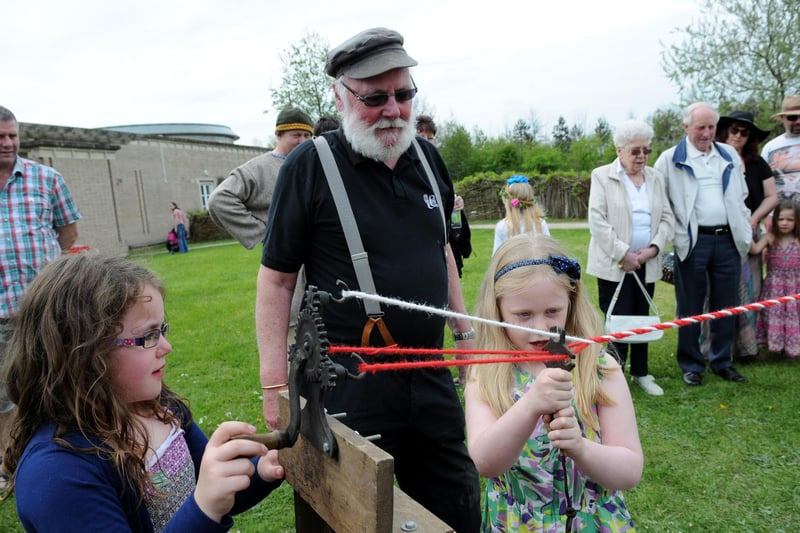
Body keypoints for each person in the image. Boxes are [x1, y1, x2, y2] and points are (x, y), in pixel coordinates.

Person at [255, 28, 480, 532]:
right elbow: (276, 282)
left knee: (458, 504)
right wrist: (274, 385)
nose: (393, 110)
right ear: (340, 95)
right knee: (338, 515)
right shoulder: (311, 166)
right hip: (347, 382)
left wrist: (464, 334)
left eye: (403, 95)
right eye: (375, 98)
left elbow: (441, 248)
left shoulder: (428, 158)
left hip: (428, 372)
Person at [0, 254, 284, 531]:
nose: (166, 346)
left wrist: (260, 469)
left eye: (162, 330)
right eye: (148, 336)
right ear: (85, 353)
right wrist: (204, 508)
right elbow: (203, 504)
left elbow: (210, 488)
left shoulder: (160, 408)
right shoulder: (58, 475)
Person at [465, 233, 642, 531]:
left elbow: (630, 472)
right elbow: (486, 463)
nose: (541, 329)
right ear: (497, 310)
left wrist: (581, 449)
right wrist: (531, 404)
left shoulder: (599, 368)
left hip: (593, 521)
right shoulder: (486, 374)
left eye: (552, 312)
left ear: (571, 302)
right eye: (523, 315)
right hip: (516, 523)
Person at [654, 102, 752, 386]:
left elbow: (741, 195)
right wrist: (675, 234)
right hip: (694, 242)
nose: (707, 133)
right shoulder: (670, 159)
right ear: (686, 127)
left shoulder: (729, 154)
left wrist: (743, 227)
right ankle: (691, 364)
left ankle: (722, 361)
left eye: (711, 127)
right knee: (690, 305)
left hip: (728, 240)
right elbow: (660, 202)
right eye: (700, 127)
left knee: (727, 304)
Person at [0, 105, 81, 417]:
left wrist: (48, 274)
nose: (7, 142)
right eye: (1, 136)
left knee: (58, 382)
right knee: (5, 397)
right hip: (1, 314)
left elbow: (69, 232)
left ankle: (63, 447)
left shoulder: (47, 179)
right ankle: (10, 461)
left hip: (46, 308)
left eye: (12, 136)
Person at [207, 108, 314, 339]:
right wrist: (266, 234)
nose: (303, 141)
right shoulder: (258, 169)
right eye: (296, 135)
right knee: (294, 338)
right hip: (287, 269)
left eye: (307, 136)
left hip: (320, 264)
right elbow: (219, 199)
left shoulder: (313, 163)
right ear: (279, 135)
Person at [587, 119, 674, 395]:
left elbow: (668, 219)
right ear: (619, 149)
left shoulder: (655, 177)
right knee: (616, 318)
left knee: (641, 316)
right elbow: (597, 220)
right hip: (615, 263)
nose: (642, 157)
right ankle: (613, 372)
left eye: (646, 151)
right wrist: (623, 253)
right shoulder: (601, 175)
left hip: (646, 262)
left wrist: (652, 250)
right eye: (635, 151)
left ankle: (641, 373)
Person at [710, 111, 777, 359]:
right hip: (718, 234)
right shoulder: (712, 160)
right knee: (716, 293)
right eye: (734, 130)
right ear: (725, 131)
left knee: (749, 290)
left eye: (744, 132)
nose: (738, 136)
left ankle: (747, 348)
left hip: (749, 233)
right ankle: (713, 348)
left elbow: (772, 196)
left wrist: (754, 218)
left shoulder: (757, 163)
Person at [415, 114, 472, 276]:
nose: (426, 141)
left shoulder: (438, 168)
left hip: (446, 247)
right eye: (420, 136)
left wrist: (456, 203)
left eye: (430, 137)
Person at [752, 200, 800, 358]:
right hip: (775, 288)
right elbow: (755, 249)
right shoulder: (770, 237)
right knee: (775, 315)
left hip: (795, 287)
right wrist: (745, 232)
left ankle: (793, 348)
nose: (784, 223)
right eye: (781, 219)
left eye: (790, 219)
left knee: (794, 315)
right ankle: (775, 346)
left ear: (797, 221)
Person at [492, 174, 550, 254]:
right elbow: (549, 251)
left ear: (507, 201)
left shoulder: (502, 226)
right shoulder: (540, 224)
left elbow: (496, 256)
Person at [761, 95, 800, 205]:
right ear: (782, 118)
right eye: (792, 117)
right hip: (781, 216)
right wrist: (769, 213)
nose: (798, 121)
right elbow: (765, 183)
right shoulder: (770, 147)